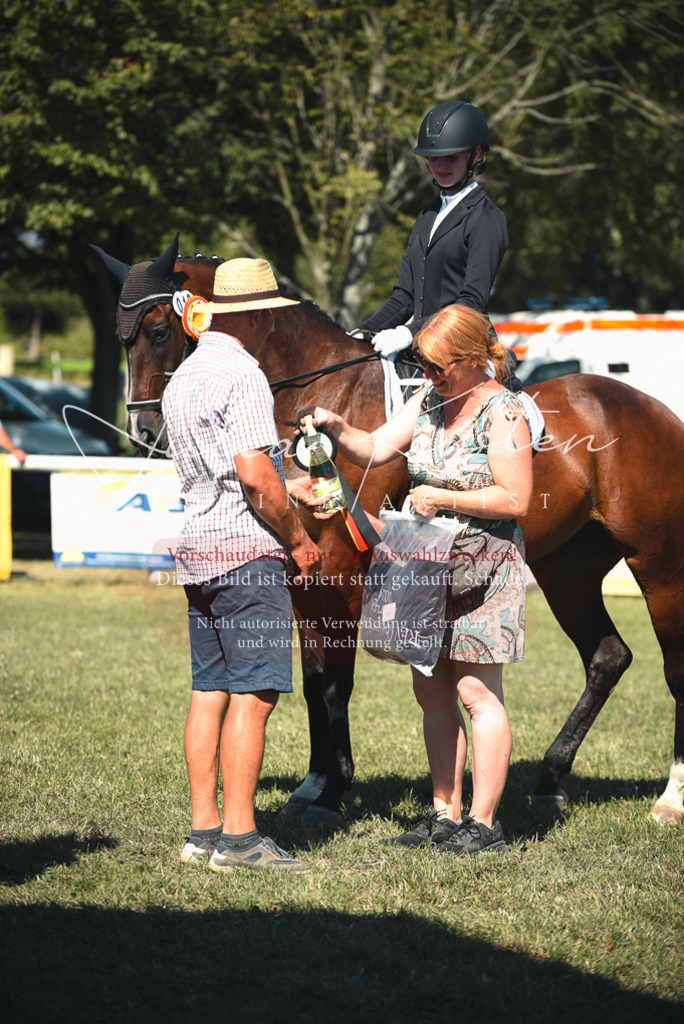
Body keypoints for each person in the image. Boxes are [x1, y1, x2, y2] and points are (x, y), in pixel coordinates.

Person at [297, 304, 533, 856]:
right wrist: (336, 427)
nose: (428, 375)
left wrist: (443, 496)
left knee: (476, 693)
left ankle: (485, 823)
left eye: (437, 365)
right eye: (423, 365)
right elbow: (378, 448)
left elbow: (515, 497)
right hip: (427, 562)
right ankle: (443, 814)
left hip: (481, 564)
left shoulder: (504, 413)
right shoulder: (429, 399)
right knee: (430, 689)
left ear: (475, 359)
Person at [162, 257, 322, 873]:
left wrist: (291, 483)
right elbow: (255, 478)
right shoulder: (246, 374)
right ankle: (240, 838)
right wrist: (299, 538)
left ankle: (203, 831)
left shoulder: (184, 374)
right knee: (254, 695)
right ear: (252, 315)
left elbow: (229, 466)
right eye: (270, 318)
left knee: (209, 691)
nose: (273, 329)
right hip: (245, 553)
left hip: (198, 546)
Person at [355, 101, 508, 363]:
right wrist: (362, 333)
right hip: (420, 350)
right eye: (433, 158)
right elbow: (404, 297)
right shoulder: (426, 217)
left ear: (476, 154)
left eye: (451, 157)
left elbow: (471, 303)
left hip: (464, 354)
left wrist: (410, 331)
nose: (440, 166)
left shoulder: (486, 218)